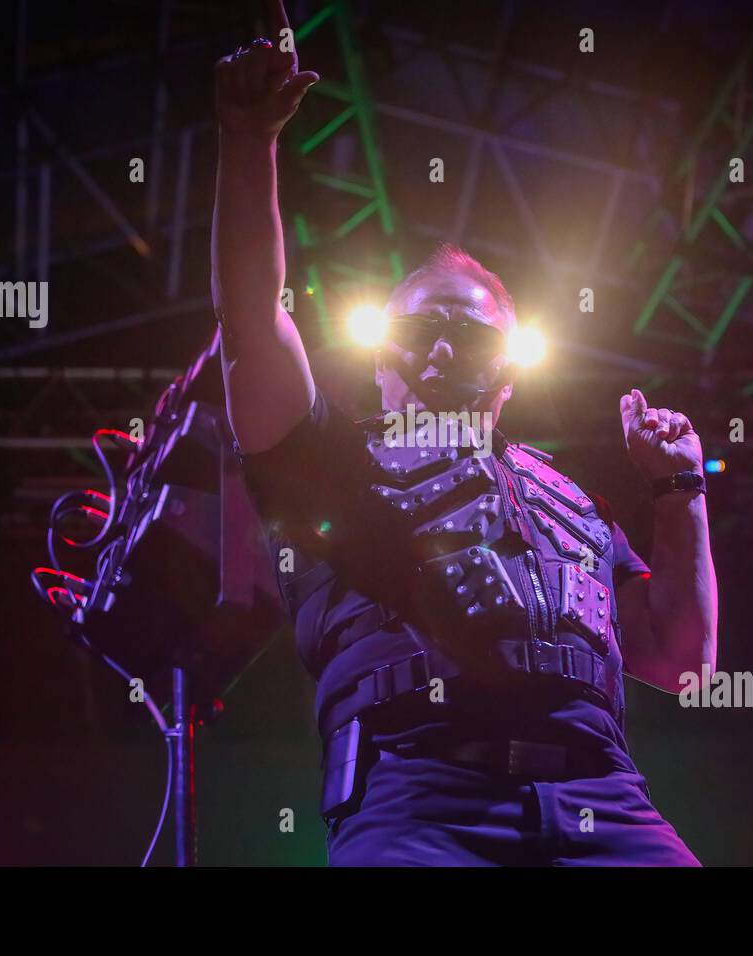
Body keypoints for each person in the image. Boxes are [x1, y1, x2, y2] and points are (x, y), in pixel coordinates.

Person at [211, 1, 717, 866]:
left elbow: (685, 663)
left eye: (473, 336)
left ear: (509, 369)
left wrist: (681, 493)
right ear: (382, 361)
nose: (443, 349)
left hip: (604, 802)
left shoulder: (571, 500)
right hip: (419, 801)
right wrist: (248, 140)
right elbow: (253, 319)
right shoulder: (328, 459)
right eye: (416, 333)